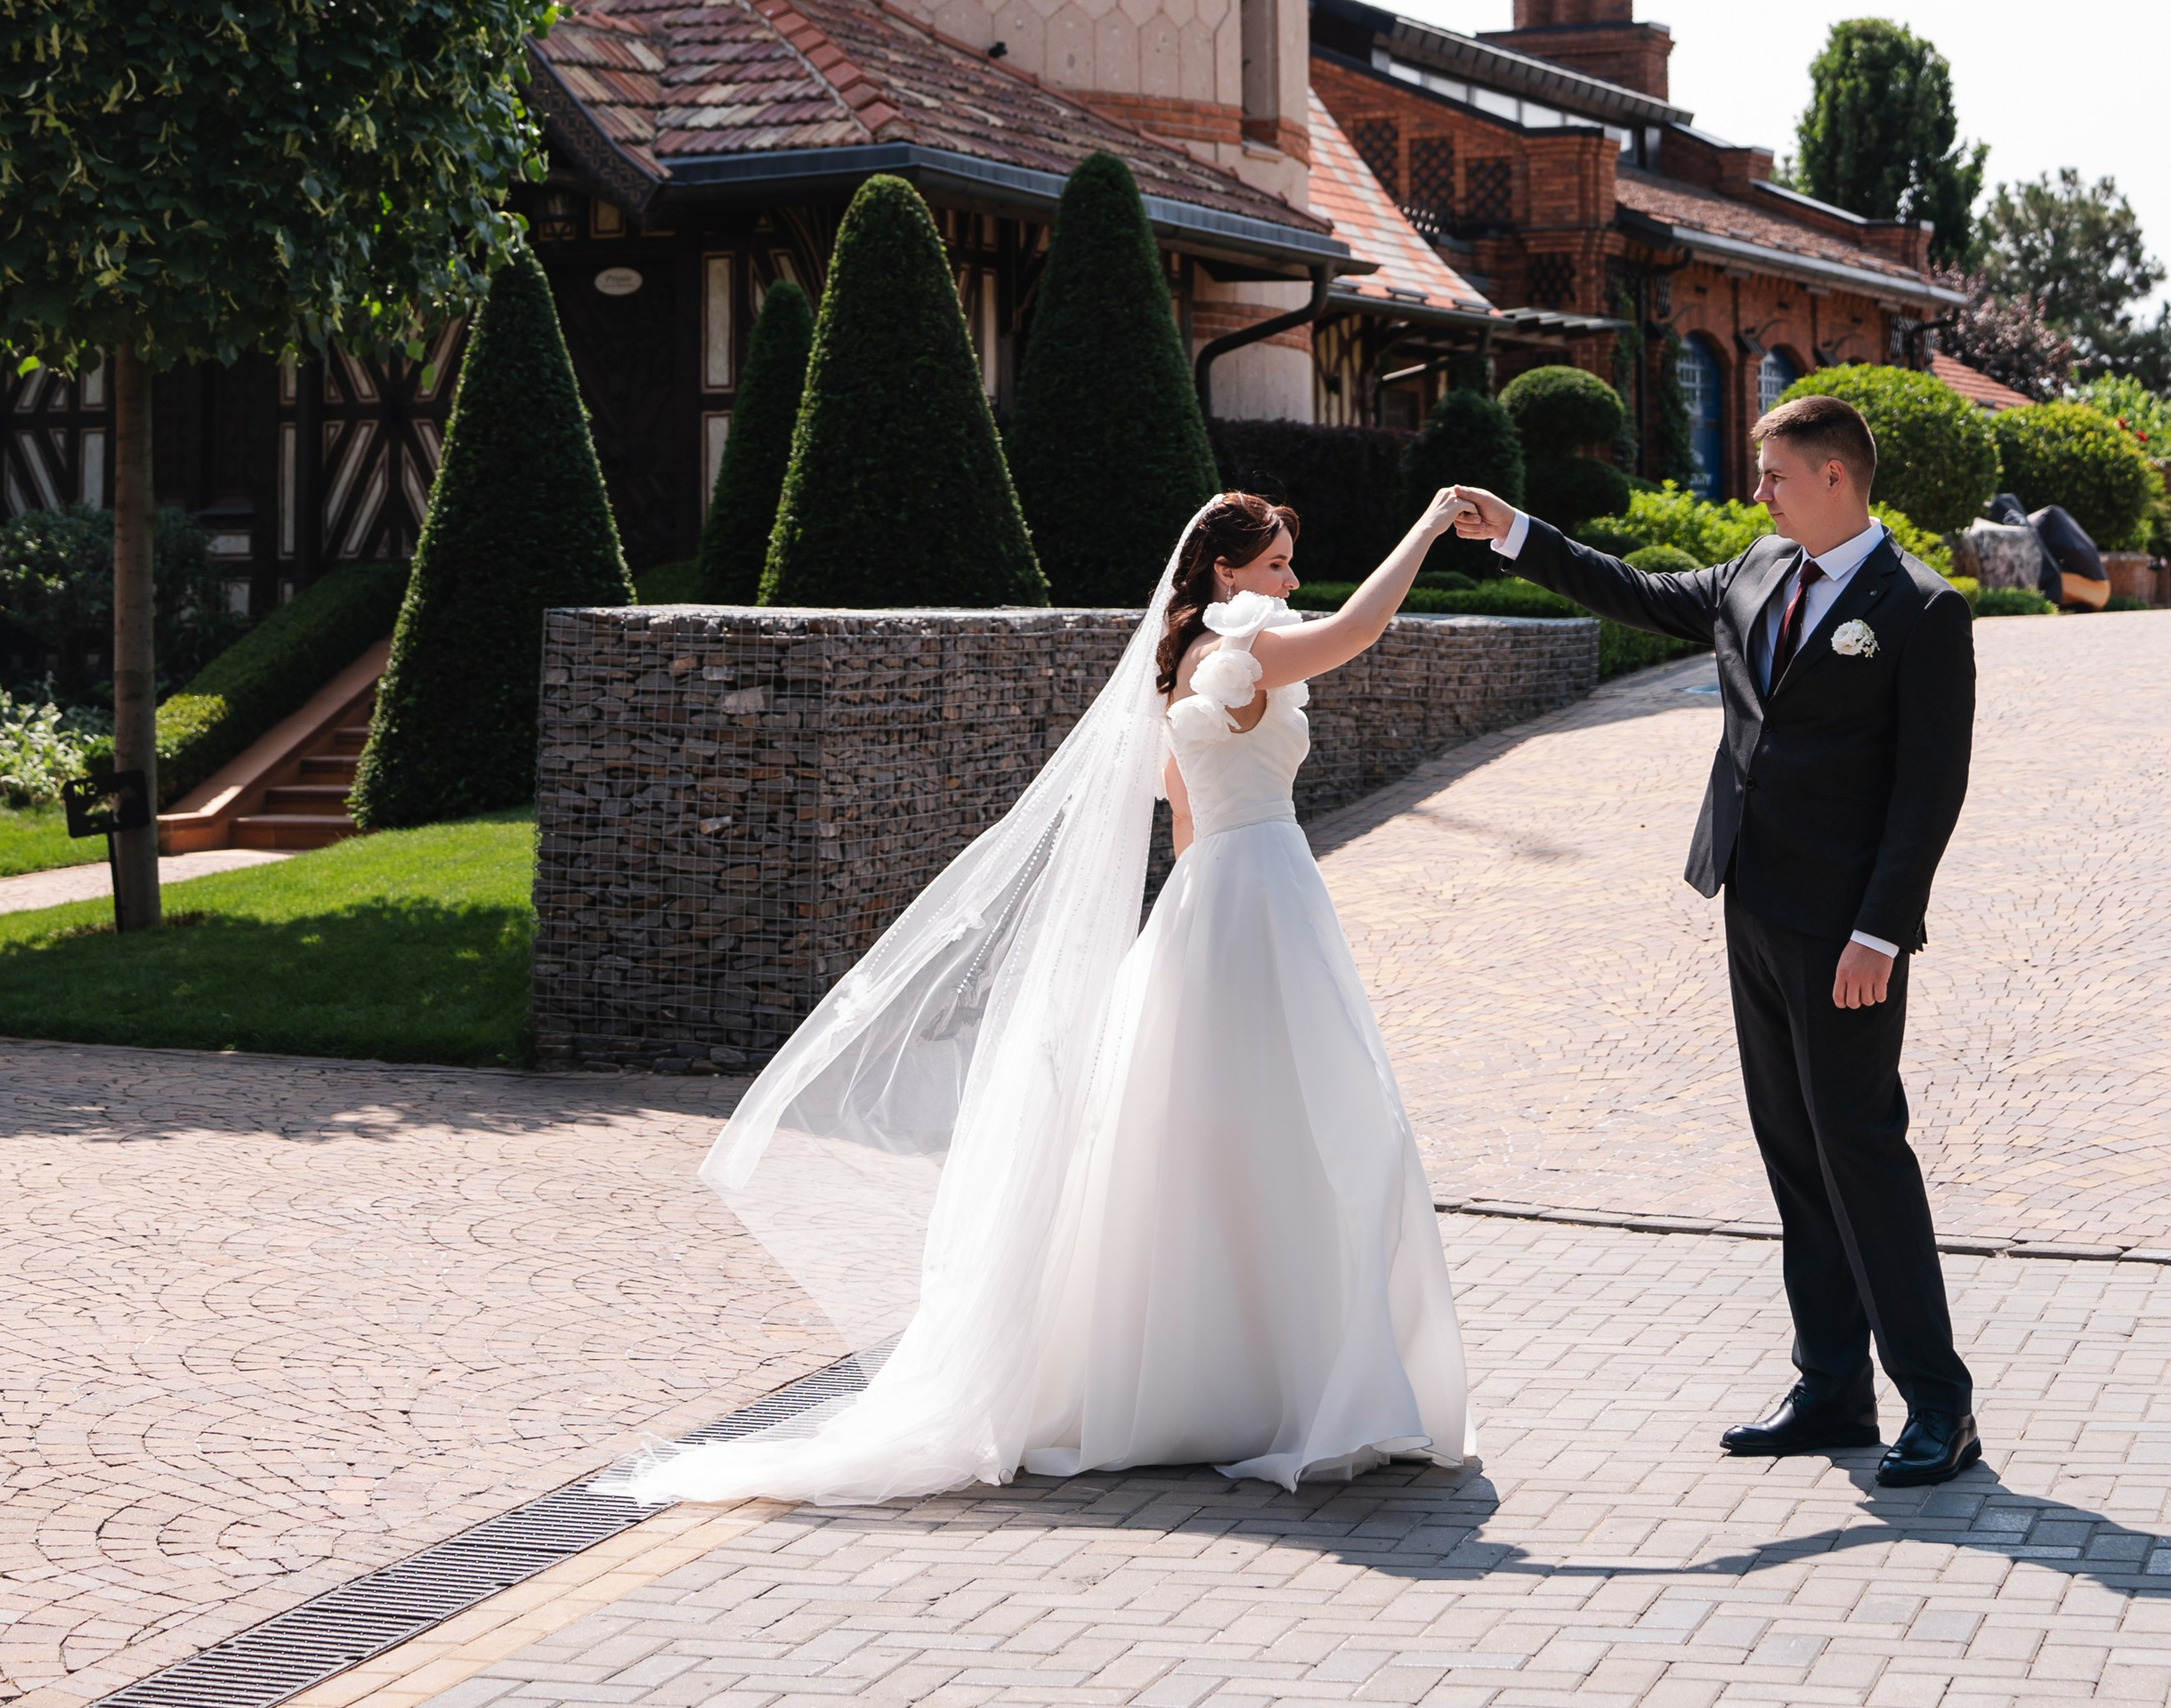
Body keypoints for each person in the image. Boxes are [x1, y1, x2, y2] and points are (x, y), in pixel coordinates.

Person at [595, 487, 1470, 1510]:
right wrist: (1424, 522)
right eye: (1276, 564)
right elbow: (1359, 630)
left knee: (1214, 1131)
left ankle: (1230, 1376)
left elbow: (1186, 819)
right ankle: (1285, 1378)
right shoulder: (1241, 651)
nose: (1288, 582)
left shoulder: (1188, 661)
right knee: (1300, 1123)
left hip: (1219, 897)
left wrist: (1187, 928)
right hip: (1262, 893)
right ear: (1228, 573)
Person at [1453, 392, 1981, 1486]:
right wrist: (1514, 530)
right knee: (1793, 1154)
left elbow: (1929, 792)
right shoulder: (1753, 573)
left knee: (1861, 1151)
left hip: (1848, 932)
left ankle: (1938, 1401)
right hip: (1750, 901)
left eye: (1773, 472)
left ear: (1835, 475)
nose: (1757, 490)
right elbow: (1636, 592)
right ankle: (1832, 1386)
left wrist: (1880, 930)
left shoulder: (1920, 608)